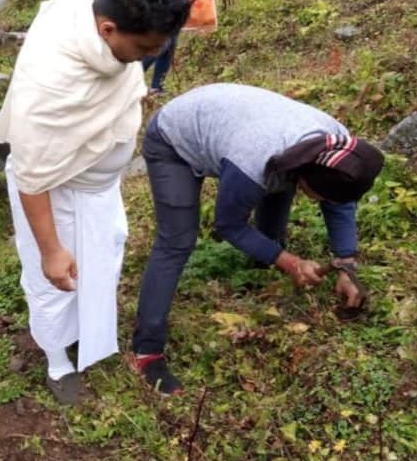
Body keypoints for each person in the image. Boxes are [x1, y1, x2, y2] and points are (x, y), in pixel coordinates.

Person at [0, 0, 191, 405]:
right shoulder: (50, 85)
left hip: (100, 189)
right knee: (54, 278)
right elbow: (31, 175)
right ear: (107, 29)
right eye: (145, 49)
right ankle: (56, 358)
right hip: (57, 191)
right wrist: (49, 249)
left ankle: (86, 332)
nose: (151, 57)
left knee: (101, 262)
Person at [132, 84, 385, 395]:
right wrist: (290, 262)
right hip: (175, 136)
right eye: (320, 196)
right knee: (177, 241)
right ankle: (146, 350)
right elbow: (229, 225)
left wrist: (347, 265)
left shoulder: (341, 152)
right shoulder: (256, 160)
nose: (322, 202)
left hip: (240, 126)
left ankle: (258, 271)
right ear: (307, 175)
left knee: (278, 191)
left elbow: (340, 203)